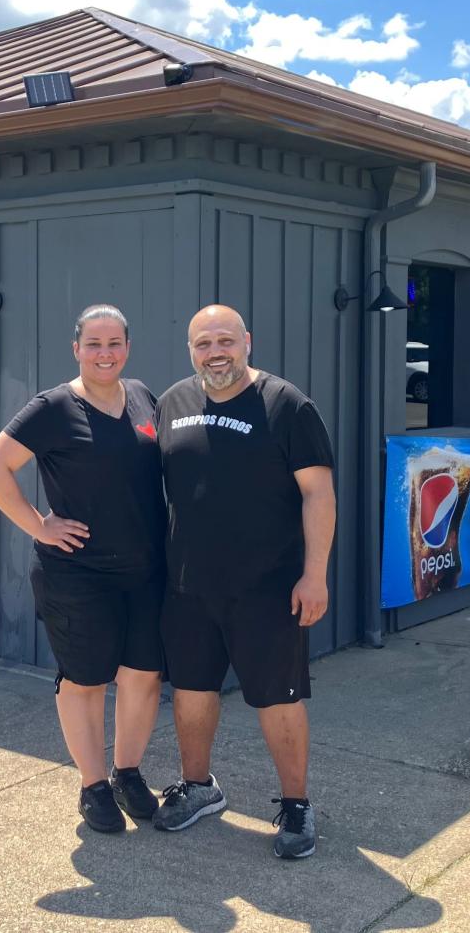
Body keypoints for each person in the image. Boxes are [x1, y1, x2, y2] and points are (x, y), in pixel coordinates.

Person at [152, 304, 336, 859]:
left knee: (277, 698)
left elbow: (318, 494)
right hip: (187, 586)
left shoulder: (286, 405)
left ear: (247, 342)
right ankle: (200, 787)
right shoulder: (172, 403)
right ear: (191, 350)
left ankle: (296, 805)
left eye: (225, 341)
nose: (216, 353)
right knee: (190, 691)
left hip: (268, 587)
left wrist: (314, 575)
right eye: (203, 344)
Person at [0, 304, 166, 834]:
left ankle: (127, 774)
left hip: (145, 570)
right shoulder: (53, 407)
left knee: (143, 675)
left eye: (114, 343)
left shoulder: (145, 397)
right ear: (76, 349)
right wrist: (39, 525)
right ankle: (93, 785)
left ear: (127, 346)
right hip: (76, 574)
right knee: (84, 681)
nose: (104, 354)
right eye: (94, 344)